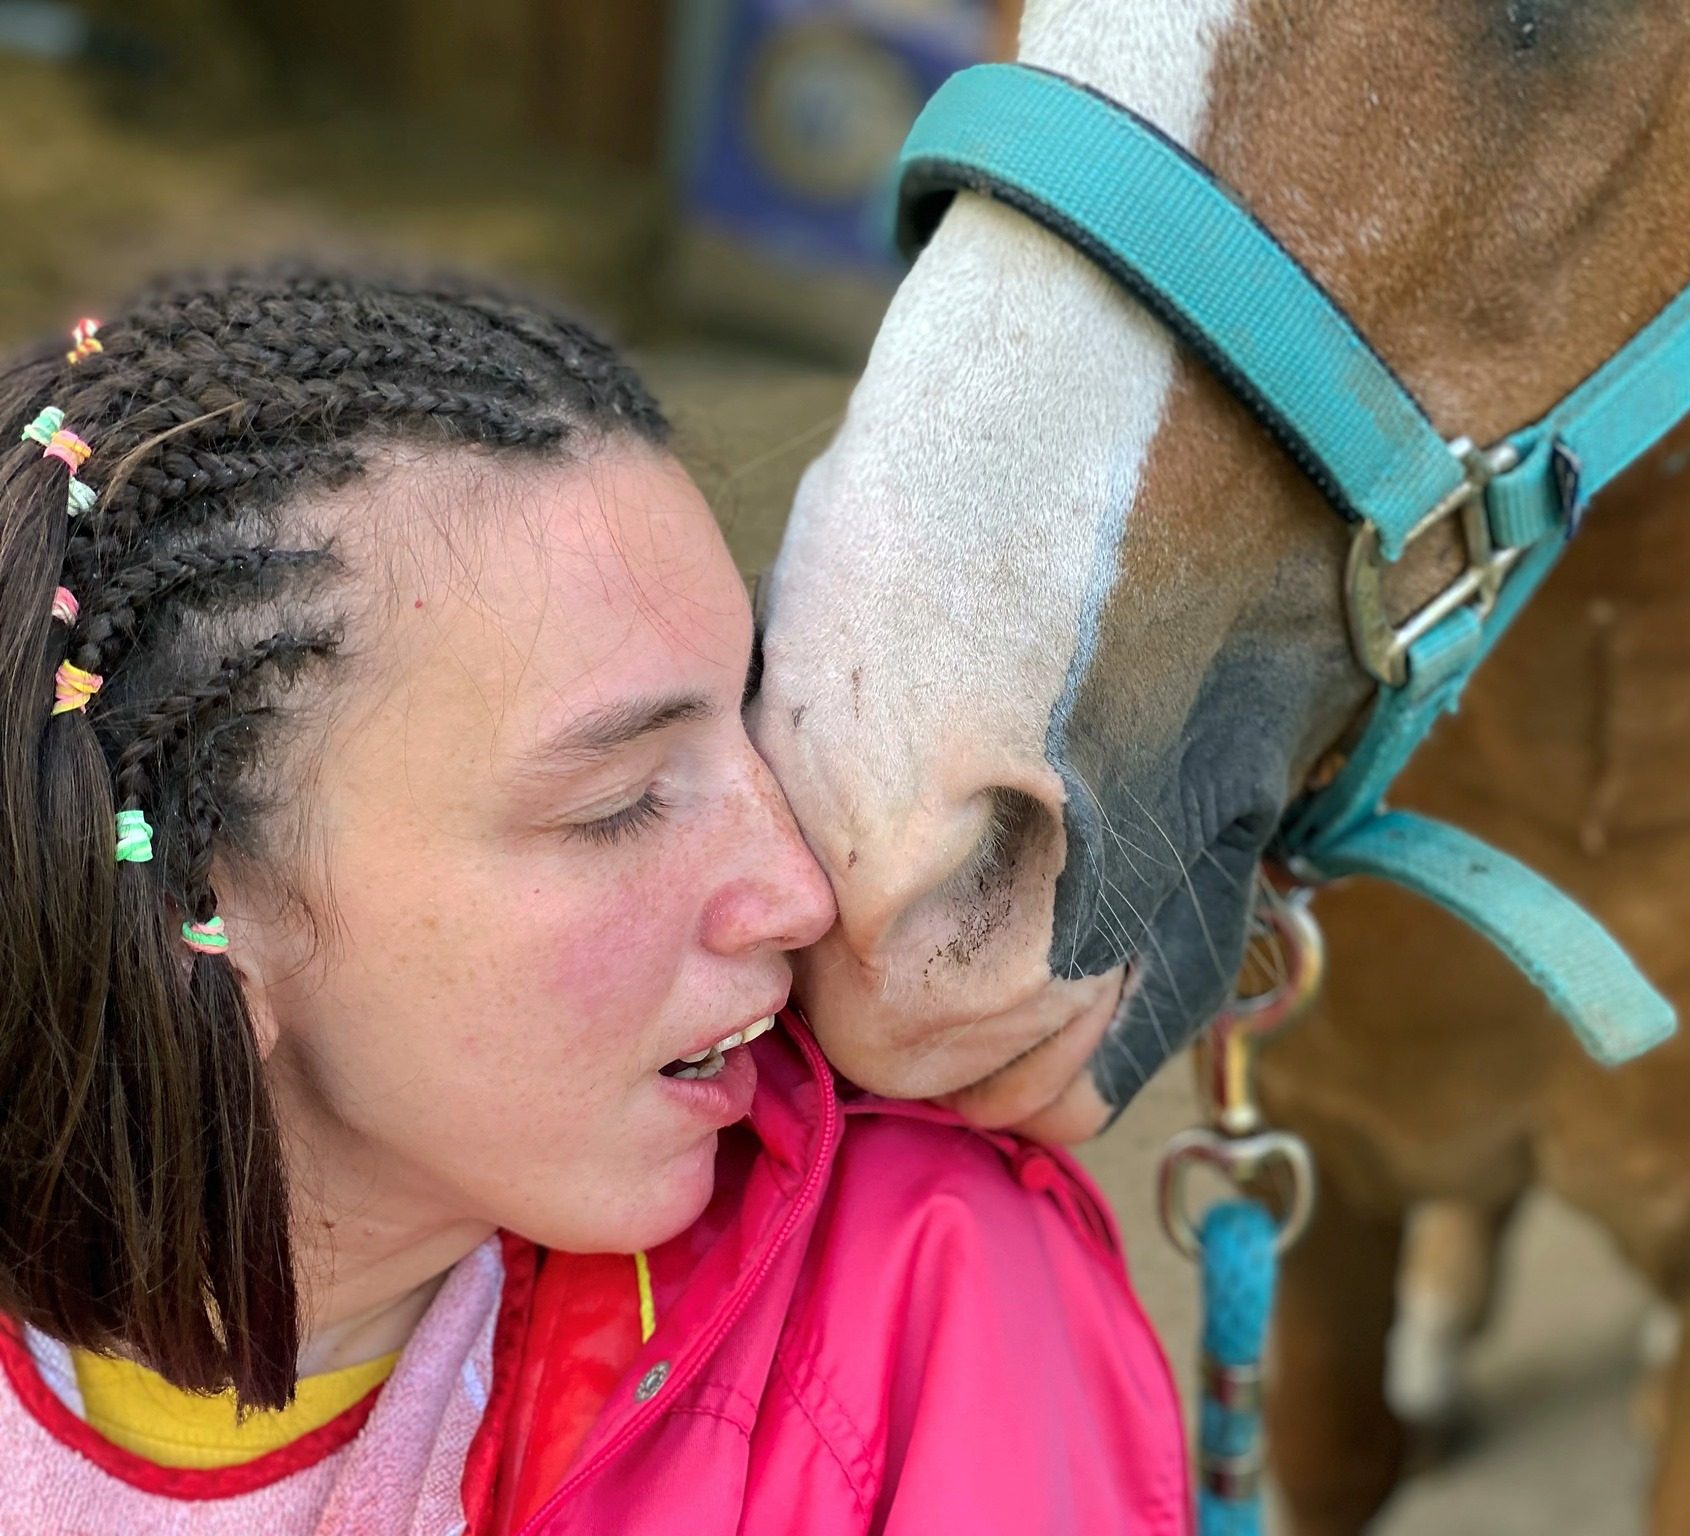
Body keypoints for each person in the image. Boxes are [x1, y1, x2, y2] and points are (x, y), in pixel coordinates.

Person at [0, 268, 1187, 1533]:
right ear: (205, 914)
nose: (799, 891)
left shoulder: (931, 1296)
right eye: (618, 802)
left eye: (750, 717)